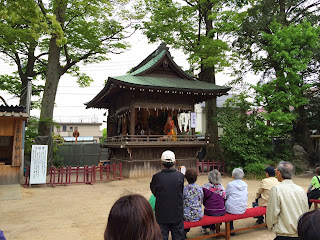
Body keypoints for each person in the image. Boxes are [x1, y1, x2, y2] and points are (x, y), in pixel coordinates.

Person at [266, 161, 308, 240]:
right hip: (300, 234)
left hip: (284, 234)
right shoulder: (301, 189)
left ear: (279, 173)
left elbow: (272, 214)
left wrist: (271, 226)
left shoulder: (277, 189)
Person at [150, 150, 185, 240]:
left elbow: (154, 192)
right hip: (177, 213)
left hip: (162, 213)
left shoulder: (156, 177)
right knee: (178, 237)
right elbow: (181, 191)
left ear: (161, 162)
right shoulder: (180, 176)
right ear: (175, 162)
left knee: (161, 237)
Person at [201, 169, 226, 234]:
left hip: (209, 210)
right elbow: (224, 198)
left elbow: (203, 200)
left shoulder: (205, 187)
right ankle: (212, 229)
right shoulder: (221, 187)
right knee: (213, 209)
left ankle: (205, 228)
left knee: (208, 209)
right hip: (221, 210)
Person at [225, 168, 248, 235]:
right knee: (232, 203)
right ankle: (230, 228)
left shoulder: (230, 184)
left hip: (232, 209)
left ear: (233, 176)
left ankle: (230, 228)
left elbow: (226, 195)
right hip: (243, 208)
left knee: (228, 205)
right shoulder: (245, 184)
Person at [183, 169, 203, 237]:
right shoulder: (199, 188)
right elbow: (201, 200)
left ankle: (184, 232)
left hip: (186, 215)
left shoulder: (184, 189)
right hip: (198, 214)